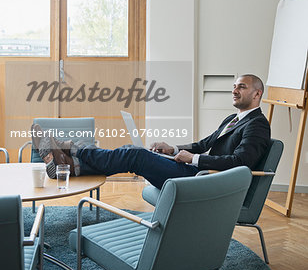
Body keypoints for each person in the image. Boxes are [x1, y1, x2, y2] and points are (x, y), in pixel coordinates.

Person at [33, 74, 270, 190]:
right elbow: (202, 143)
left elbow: (242, 162)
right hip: (199, 171)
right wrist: (174, 149)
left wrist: (194, 159)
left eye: (242, 86)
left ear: (257, 94)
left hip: (208, 181)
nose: (235, 90)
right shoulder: (233, 119)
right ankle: (72, 166)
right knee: (130, 149)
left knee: (136, 156)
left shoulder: (257, 125)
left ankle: (71, 148)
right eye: (234, 86)